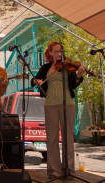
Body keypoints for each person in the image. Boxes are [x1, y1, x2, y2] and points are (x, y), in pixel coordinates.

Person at [31, 42, 85, 180]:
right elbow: (34, 79)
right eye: (56, 51)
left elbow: (74, 84)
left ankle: (69, 171)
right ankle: (54, 171)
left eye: (60, 51)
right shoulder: (46, 67)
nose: (59, 53)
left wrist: (78, 75)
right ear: (50, 53)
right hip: (50, 104)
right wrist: (37, 81)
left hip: (68, 104)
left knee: (68, 139)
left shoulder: (68, 66)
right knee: (52, 139)